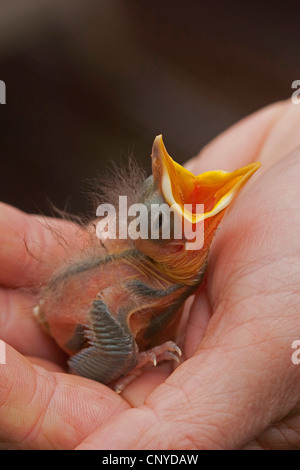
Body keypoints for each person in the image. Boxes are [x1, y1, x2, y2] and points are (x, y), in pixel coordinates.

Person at [0, 99, 299, 450]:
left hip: (73, 303)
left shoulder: (166, 261)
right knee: (118, 350)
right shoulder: (149, 281)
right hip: (78, 335)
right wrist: (128, 358)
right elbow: (105, 305)